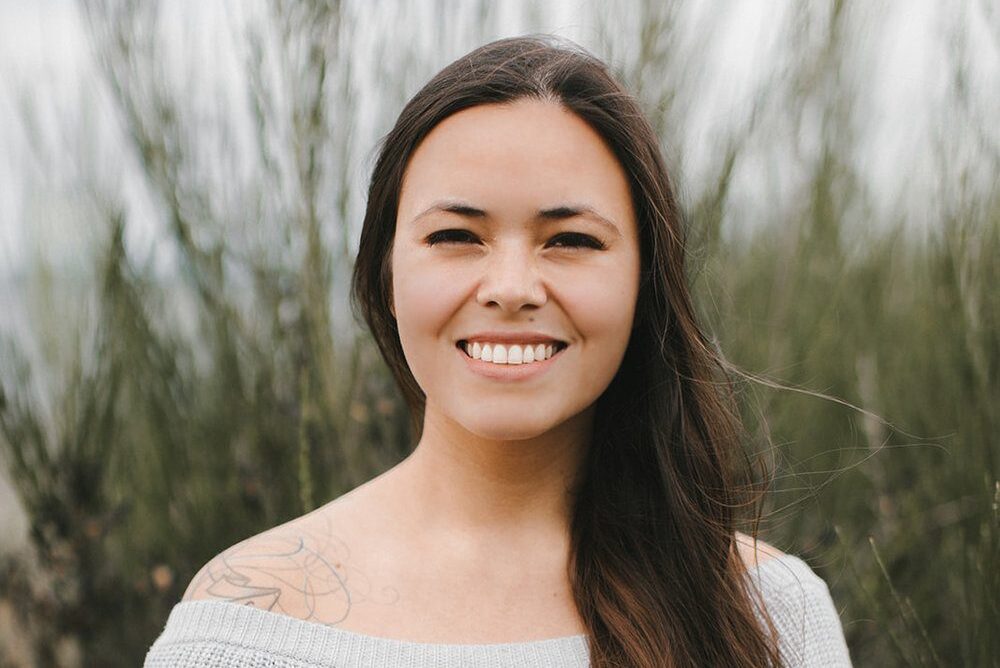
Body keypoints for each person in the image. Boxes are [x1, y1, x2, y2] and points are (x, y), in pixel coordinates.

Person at [144, 35, 852, 667]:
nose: (511, 288)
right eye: (456, 236)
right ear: (384, 275)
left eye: (571, 240)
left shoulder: (767, 612)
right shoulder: (248, 628)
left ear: (646, 284)